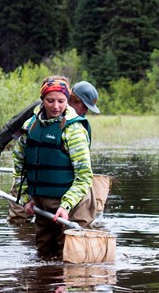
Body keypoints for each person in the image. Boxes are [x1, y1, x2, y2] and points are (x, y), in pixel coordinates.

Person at [0, 77, 100, 222]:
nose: (85, 111)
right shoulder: (39, 110)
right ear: (74, 99)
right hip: (32, 182)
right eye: (85, 106)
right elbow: (12, 128)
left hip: (64, 191)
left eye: (60, 101)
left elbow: (82, 169)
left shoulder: (78, 126)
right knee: (19, 219)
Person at [11, 78, 97, 259]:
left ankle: (67, 286)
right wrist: (26, 197)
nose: (56, 106)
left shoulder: (74, 130)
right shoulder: (30, 126)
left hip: (68, 204)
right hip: (40, 203)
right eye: (50, 101)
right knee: (44, 254)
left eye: (61, 101)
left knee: (67, 255)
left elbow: (84, 176)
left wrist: (66, 206)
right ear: (42, 100)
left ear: (68, 101)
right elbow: (19, 165)